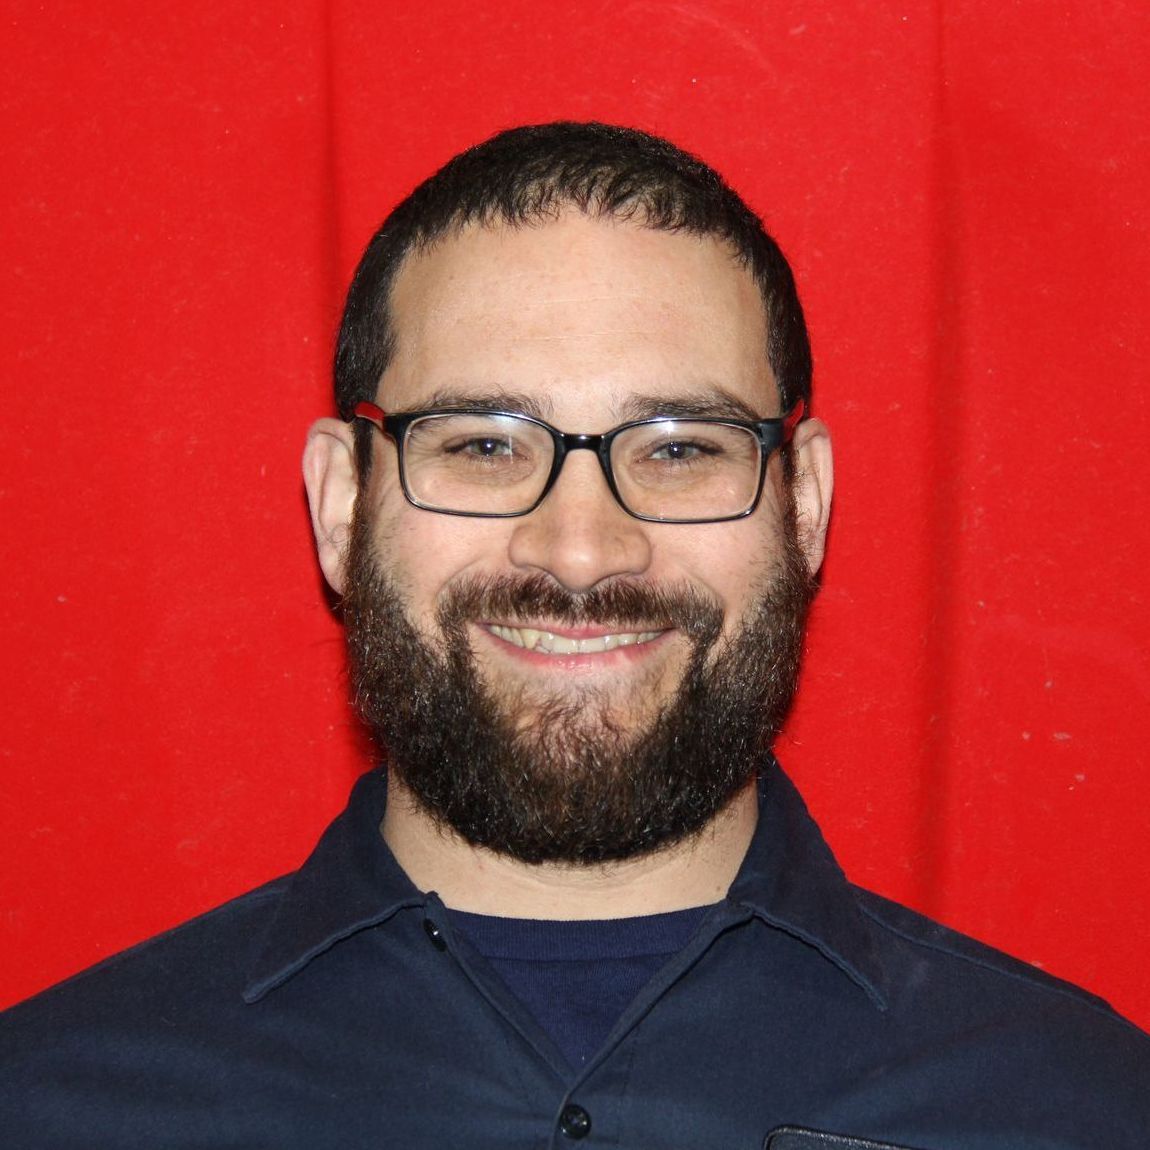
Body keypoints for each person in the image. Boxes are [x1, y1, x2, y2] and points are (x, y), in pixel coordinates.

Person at [1, 122, 1146, 1149]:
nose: (582, 550)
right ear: (342, 506)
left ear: (801, 506)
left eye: (681, 447)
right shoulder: (52, 1102)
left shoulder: (1075, 1106)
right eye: (485, 444)